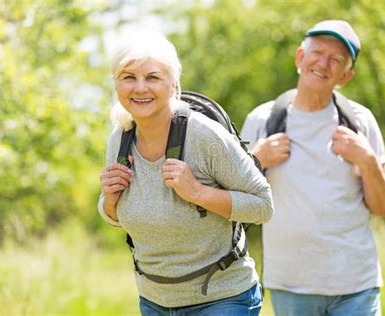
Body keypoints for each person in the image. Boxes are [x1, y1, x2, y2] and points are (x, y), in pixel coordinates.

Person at [98, 30, 274, 315]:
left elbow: (264, 206)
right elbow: (116, 214)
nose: (140, 87)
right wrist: (109, 198)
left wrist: (197, 192)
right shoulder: (120, 139)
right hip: (154, 301)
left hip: (222, 299)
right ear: (116, 84)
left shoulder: (204, 136)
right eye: (129, 77)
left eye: (152, 77)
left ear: (172, 83)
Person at [241, 20, 385, 315]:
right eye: (318, 52)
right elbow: (235, 201)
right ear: (300, 57)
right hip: (291, 286)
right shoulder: (262, 120)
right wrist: (256, 160)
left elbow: (384, 205)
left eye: (336, 59)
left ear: (346, 75)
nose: (323, 63)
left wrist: (366, 160)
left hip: (356, 285)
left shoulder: (360, 122)